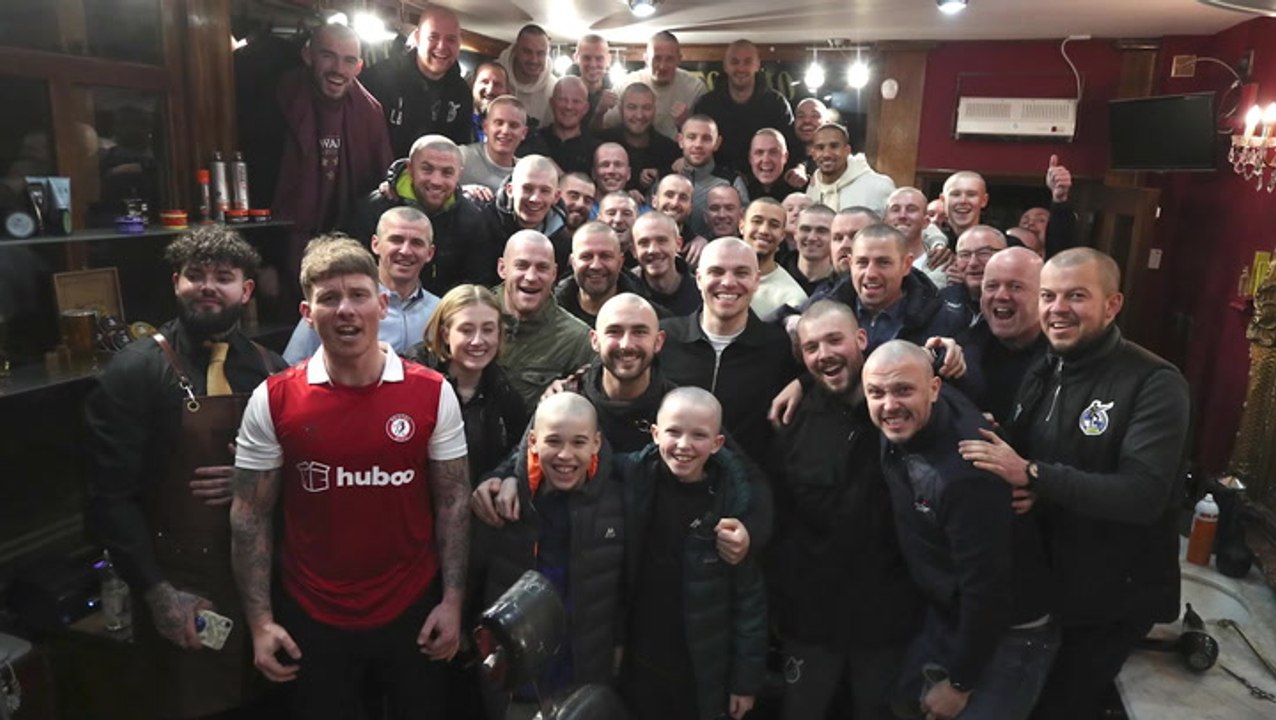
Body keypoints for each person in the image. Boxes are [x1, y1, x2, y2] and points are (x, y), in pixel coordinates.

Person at [229, 236, 471, 719]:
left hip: (413, 611)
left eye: (359, 295)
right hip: (311, 616)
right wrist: (259, 622)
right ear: (307, 312)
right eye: (329, 298)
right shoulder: (274, 399)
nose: (346, 310)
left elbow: (454, 501)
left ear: (382, 304)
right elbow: (250, 515)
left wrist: (452, 600)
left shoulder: (431, 392)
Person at [958, 248, 1190, 720]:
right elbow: (1032, 451)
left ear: (1112, 304)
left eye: (1076, 296)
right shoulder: (1047, 367)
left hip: (1109, 601)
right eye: (1048, 296)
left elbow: (1143, 494)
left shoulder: (1154, 382)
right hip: (1049, 585)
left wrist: (1035, 476)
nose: (1057, 308)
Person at [85, 227, 287, 719]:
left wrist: (260, 477)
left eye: (224, 276)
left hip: (264, 583)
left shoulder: (273, 371)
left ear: (246, 290)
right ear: (176, 283)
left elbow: (305, 474)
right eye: (195, 276)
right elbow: (107, 497)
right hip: (179, 585)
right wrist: (157, 593)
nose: (208, 286)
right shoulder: (135, 370)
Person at [866, 340, 1057, 720]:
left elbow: (987, 590)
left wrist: (960, 683)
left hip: (1010, 629)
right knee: (901, 703)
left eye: (904, 390)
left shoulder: (967, 473)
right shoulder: (905, 419)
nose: (889, 405)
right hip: (950, 610)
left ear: (935, 388)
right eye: (876, 392)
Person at [771, 301, 922, 720]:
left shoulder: (905, 412)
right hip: (811, 619)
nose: (825, 354)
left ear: (861, 339)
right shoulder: (792, 418)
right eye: (812, 347)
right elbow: (780, 517)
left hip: (889, 618)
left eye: (835, 340)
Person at [405, 284, 527, 720]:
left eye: (489, 330)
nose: (479, 341)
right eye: (467, 329)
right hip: (418, 544)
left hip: (481, 548)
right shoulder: (412, 382)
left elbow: (525, 448)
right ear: (443, 335)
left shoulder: (503, 391)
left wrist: (508, 478)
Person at [617, 388, 767, 720]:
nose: (684, 445)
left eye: (699, 435)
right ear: (655, 434)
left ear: (717, 443)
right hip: (640, 660)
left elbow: (749, 603)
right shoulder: (631, 480)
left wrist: (745, 682)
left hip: (703, 670)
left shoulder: (731, 509)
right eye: (674, 432)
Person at [479, 391, 625, 716]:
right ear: (532, 441)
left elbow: (629, 583)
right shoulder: (507, 501)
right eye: (554, 441)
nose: (565, 455)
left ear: (597, 444)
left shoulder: (618, 499)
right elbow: (477, 569)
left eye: (578, 443)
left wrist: (620, 642)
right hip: (517, 678)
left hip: (584, 671)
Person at [659, 237, 799, 467]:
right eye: (716, 271)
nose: (728, 282)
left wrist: (803, 382)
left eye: (741, 273)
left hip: (748, 489)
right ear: (698, 278)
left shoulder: (779, 348)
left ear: (756, 281)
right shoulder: (665, 339)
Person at [270, 23, 393, 286]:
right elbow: (260, 177)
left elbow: (380, 184)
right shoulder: (280, 98)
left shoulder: (370, 112)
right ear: (308, 55)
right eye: (328, 56)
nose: (338, 69)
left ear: (358, 67)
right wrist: (263, 260)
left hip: (348, 249)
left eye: (348, 60)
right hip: (285, 249)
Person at [285, 207, 440, 363]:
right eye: (396, 240)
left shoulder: (439, 311)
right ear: (375, 244)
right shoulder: (332, 307)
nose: (405, 251)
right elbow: (291, 369)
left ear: (429, 253)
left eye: (417, 243)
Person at [345, 134, 490, 295]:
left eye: (447, 172)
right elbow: (351, 267)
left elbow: (475, 281)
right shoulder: (375, 208)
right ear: (410, 168)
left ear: (459, 174)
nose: (436, 181)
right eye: (427, 169)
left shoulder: (471, 218)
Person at [493, 230, 595, 407]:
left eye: (542, 268)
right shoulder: (471, 317)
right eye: (522, 266)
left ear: (554, 273)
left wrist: (568, 395)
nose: (531, 277)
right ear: (503, 268)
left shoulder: (577, 340)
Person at [361, 4, 472, 154]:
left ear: (459, 43)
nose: (441, 46)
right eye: (433, 37)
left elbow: (459, 150)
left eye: (451, 40)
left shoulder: (462, 93)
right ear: (418, 38)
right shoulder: (378, 78)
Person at [960, 247, 1046, 424]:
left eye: (1015, 287)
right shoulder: (963, 351)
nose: (1001, 295)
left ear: (1044, 296)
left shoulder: (1066, 361)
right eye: (992, 286)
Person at [694, 40, 797, 171]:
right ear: (725, 66)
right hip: (718, 182)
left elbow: (790, 146)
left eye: (747, 62)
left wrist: (799, 167)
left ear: (757, 65)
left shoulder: (776, 104)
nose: (741, 68)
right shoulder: (707, 104)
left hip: (766, 180)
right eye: (735, 62)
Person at [476, 154, 572, 280]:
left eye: (544, 191)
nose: (535, 199)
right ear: (510, 190)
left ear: (556, 196)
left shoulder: (561, 241)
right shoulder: (481, 223)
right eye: (527, 188)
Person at [604, 31, 708, 141]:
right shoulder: (625, 84)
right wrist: (599, 111)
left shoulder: (695, 87)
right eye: (657, 59)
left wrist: (687, 123)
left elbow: (708, 135)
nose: (662, 66)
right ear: (646, 59)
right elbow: (605, 127)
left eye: (669, 59)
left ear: (679, 59)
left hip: (678, 152)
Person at [555, 221, 655, 326]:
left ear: (620, 262)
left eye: (605, 256)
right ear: (573, 262)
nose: (596, 266)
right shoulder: (550, 317)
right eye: (586, 256)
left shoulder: (650, 317)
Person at [675, 115, 750, 242]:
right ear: (680, 140)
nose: (698, 144)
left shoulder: (732, 181)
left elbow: (745, 225)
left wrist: (705, 240)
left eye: (706, 139)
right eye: (691, 137)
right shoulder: (665, 179)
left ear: (717, 143)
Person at [597, 83, 681, 195]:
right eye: (632, 107)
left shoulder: (669, 149)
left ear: (654, 110)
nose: (639, 115)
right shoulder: (602, 143)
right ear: (621, 109)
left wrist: (659, 174)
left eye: (646, 108)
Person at [805, 122, 894, 215]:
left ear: (847, 150)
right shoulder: (813, 188)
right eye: (820, 147)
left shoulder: (878, 186)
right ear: (813, 153)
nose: (827, 154)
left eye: (834, 146)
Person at [516, 76, 600, 175]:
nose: (569, 106)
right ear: (552, 103)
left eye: (576, 101)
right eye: (563, 100)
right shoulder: (533, 140)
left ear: (586, 108)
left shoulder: (596, 151)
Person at [742, 197, 806, 321]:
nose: (764, 230)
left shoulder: (792, 298)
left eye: (774, 225)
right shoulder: (715, 275)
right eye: (757, 221)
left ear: (782, 235)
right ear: (741, 225)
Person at [631, 210, 701, 316]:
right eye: (644, 243)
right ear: (633, 251)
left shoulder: (701, 291)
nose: (653, 250)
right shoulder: (625, 291)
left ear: (678, 244)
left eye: (661, 241)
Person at [459, 95, 529, 199]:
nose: (505, 131)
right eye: (499, 123)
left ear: (524, 133)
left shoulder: (526, 172)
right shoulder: (461, 157)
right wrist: (461, 190)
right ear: (485, 127)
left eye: (513, 125)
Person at [885, 186, 952, 288]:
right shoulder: (870, 262)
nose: (902, 215)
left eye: (911, 209)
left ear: (926, 222)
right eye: (895, 209)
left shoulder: (945, 266)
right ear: (885, 220)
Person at [941, 225, 1008, 325]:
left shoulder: (1016, 302)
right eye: (965, 255)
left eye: (983, 253)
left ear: (1006, 255)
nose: (973, 263)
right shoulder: (941, 302)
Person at [496, 24, 557, 127]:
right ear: (516, 50)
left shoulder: (554, 89)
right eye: (527, 52)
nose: (534, 60)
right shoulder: (492, 77)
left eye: (540, 53)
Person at [782, 203, 835, 295]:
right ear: (795, 234)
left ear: (835, 237)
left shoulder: (843, 286)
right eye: (805, 229)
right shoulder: (778, 275)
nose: (812, 237)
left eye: (821, 231)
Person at [570, 34, 617, 131]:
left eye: (599, 58)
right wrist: (599, 112)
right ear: (576, 58)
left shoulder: (617, 92)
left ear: (608, 59)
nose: (593, 65)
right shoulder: (565, 92)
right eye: (586, 58)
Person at [740, 129, 796, 202]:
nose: (766, 160)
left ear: (785, 157)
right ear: (750, 158)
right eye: (759, 152)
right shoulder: (739, 193)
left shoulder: (803, 190)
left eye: (773, 152)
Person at [469, 61, 510, 142]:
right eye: (484, 82)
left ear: (507, 91)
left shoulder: (514, 127)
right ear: (472, 84)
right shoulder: (456, 119)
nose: (490, 90)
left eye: (497, 84)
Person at [598, 191, 641, 264]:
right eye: (611, 213)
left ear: (637, 219)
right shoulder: (588, 257)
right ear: (599, 219)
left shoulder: (644, 259)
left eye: (626, 214)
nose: (618, 220)